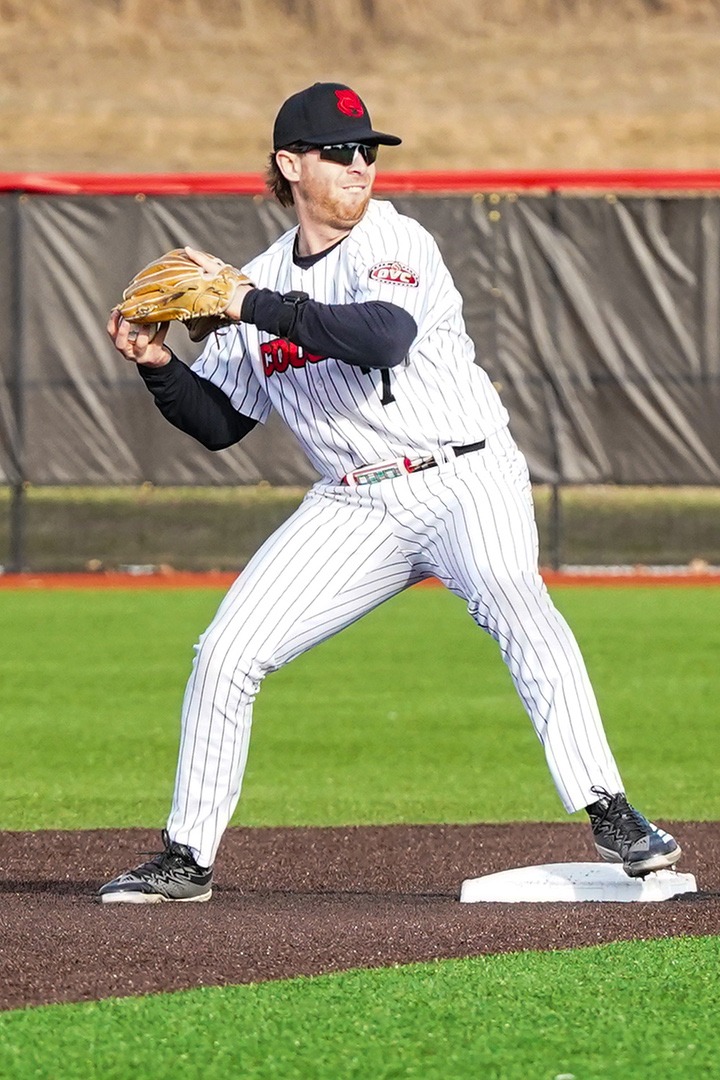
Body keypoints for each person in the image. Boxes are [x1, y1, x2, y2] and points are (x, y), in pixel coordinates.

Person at [97, 82, 679, 903]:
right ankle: (186, 859)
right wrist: (157, 366)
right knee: (226, 653)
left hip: (463, 475)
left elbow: (384, 336)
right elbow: (224, 422)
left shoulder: (391, 240)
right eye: (340, 152)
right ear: (290, 164)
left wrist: (245, 303)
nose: (360, 164)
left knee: (514, 599)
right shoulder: (254, 279)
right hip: (353, 501)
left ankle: (610, 808)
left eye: (369, 150)